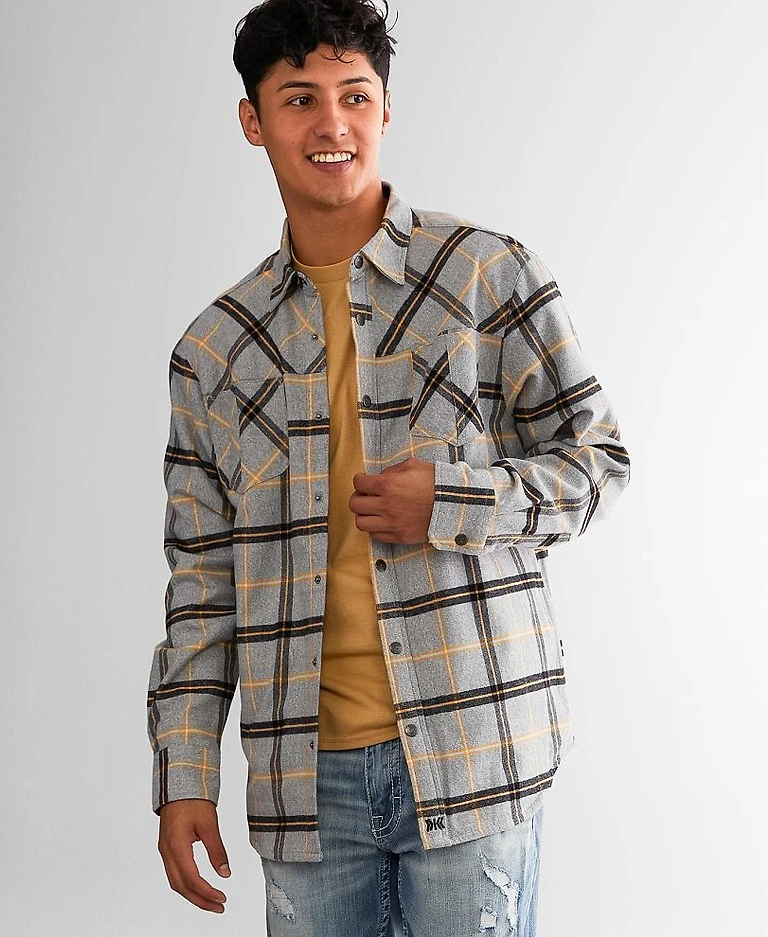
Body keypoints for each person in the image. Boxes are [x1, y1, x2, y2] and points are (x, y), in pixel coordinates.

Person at [146, 1, 631, 933]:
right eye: (300, 99)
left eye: (355, 95)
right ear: (254, 120)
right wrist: (185, 769)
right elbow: (201, 584)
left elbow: (599, 464)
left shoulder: (485, 275)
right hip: (304, 782)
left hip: (473, 747)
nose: (332, 123)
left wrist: (454, 501)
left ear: (386, 108)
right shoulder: (212, 350)